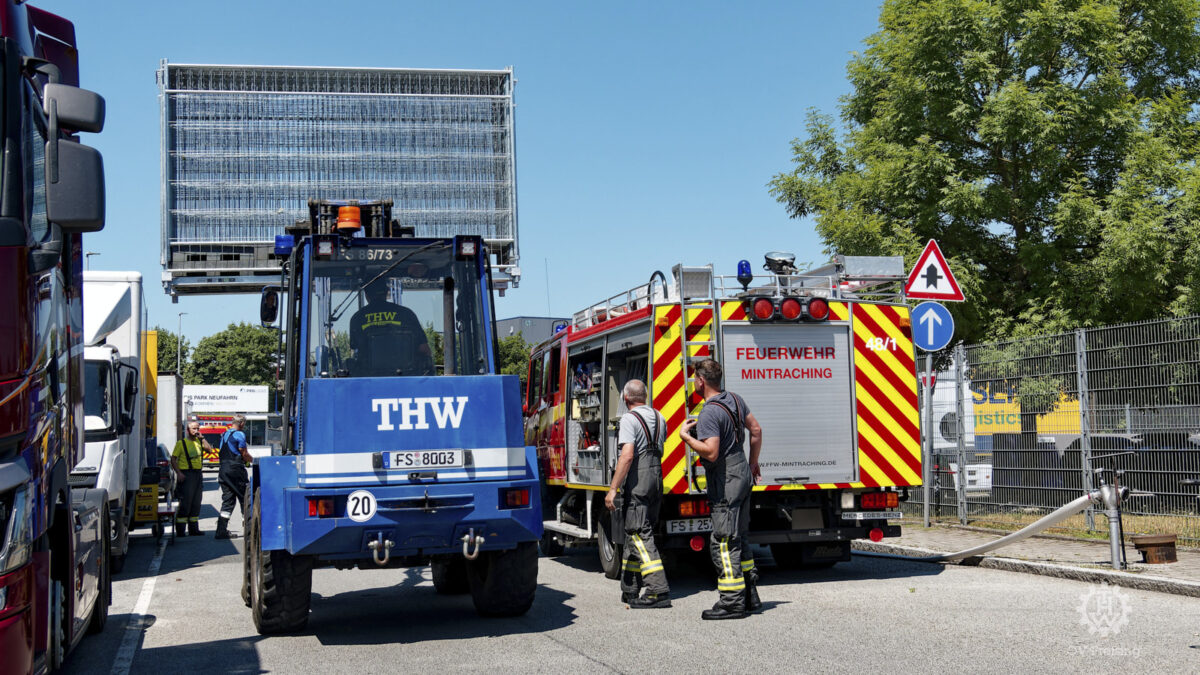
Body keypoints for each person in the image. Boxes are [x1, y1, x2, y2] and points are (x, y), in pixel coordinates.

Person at [679, 358, 763, 620]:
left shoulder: (709, 412)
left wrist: (687, 438)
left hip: (725, 479)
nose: (694, 382)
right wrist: (752, 464)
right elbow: (756, 429)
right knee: (740, 537)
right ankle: (750, 596)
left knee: (724, 542)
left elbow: (712, 453)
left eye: (695, 378)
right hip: (742, 473)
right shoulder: (736, 400)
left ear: (701, 382)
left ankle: (732, 603)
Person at [605, 379, 670, 609]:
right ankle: (630, 588)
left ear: (625, 398)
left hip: (639, 481)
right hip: (657, 479)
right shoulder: (660, 416)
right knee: (639, 532)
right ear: (645, 395)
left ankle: (657, 590)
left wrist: (613, 488)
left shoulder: (629, 419)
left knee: (639, 533)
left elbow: (627, 456)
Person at [348, 279, 433, 376]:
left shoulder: (357, 318)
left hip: (369, 383)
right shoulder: (407, 314)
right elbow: (424, 350)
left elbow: (354, 347)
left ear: (366, 295)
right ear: (387, 291)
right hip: (406, 382)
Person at [215, 414, 252, 539]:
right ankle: (249, 529)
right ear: (241, 423)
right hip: (235, 469)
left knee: (228, 500)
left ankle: (221, 530)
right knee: (245, 497)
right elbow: (244, 453)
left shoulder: (225, 435)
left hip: (223, 470)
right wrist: (254, 461)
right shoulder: (239, 434)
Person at [172, 420, 210, 537]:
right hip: (186, 475)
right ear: (188, 430)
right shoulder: (181, 443)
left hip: (198, 474)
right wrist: (178, 473)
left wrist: (203, 438)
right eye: (194, 428)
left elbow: (209, 450)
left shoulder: (199, 442)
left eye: (198, 428)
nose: (196, 431)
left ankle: (194, 529)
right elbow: (173, 459)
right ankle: (181, 530)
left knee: (196, 502)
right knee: (185, 503)